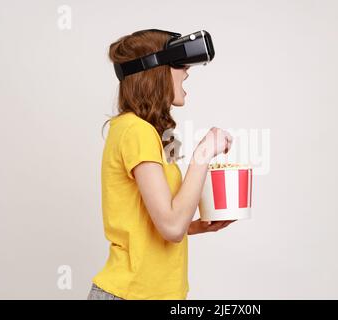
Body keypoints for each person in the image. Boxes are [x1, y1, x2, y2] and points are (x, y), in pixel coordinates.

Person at [87, 29, 236, 300]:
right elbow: (171, 227)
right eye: (178, 65)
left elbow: (158, 222)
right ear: (155, 72)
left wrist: (195, 225)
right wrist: (203, 153)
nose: (187, 71)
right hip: (131, 294)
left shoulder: (142, 131)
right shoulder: (136, 131)